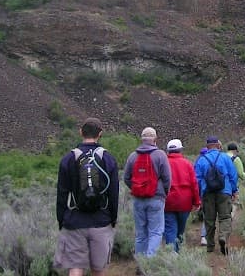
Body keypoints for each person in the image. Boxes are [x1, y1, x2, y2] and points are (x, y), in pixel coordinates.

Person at [53, 117, 119, 276]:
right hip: (101, 222)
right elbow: (114, 193)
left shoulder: (68, 159)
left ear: (81, 132)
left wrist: (62, 220)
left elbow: (62, 194)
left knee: (75, 267)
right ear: (100, 134)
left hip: (74, 221)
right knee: (99, 269)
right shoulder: (108, 158)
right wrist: (112, 218)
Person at [123, 127, 172, 257]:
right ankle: (149, 265)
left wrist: (135, 189)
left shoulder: (133, 156)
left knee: (141, 234)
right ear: (155, 139)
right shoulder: (160, 155)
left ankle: (140, 263)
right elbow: (167, 178)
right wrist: (164, 193)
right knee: (155, 233)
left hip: (138, 200)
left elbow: (126, 178)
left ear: (142, 139)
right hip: (156, 199)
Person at [194, 135, 238, 255]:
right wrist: (234, 190)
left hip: (208, 193)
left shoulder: (202, 159)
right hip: (224, 192)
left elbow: (196, 179)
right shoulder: (225, 158)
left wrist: (198, 195)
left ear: (207, 146)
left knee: (209, 220)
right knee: (225, 217)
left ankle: (210, 246)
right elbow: (233, 175)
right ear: (218, 145)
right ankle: (223, 237)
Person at [163, 138, 201, 252]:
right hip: (185, 202)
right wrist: (197, 201)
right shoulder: (187, 164)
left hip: (168, 201)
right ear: (180, 150)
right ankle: (178, 253)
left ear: (168, 151)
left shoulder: (164, 163)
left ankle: (172, 256)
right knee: (180, 230)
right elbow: (194, 184)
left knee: (170, 230)